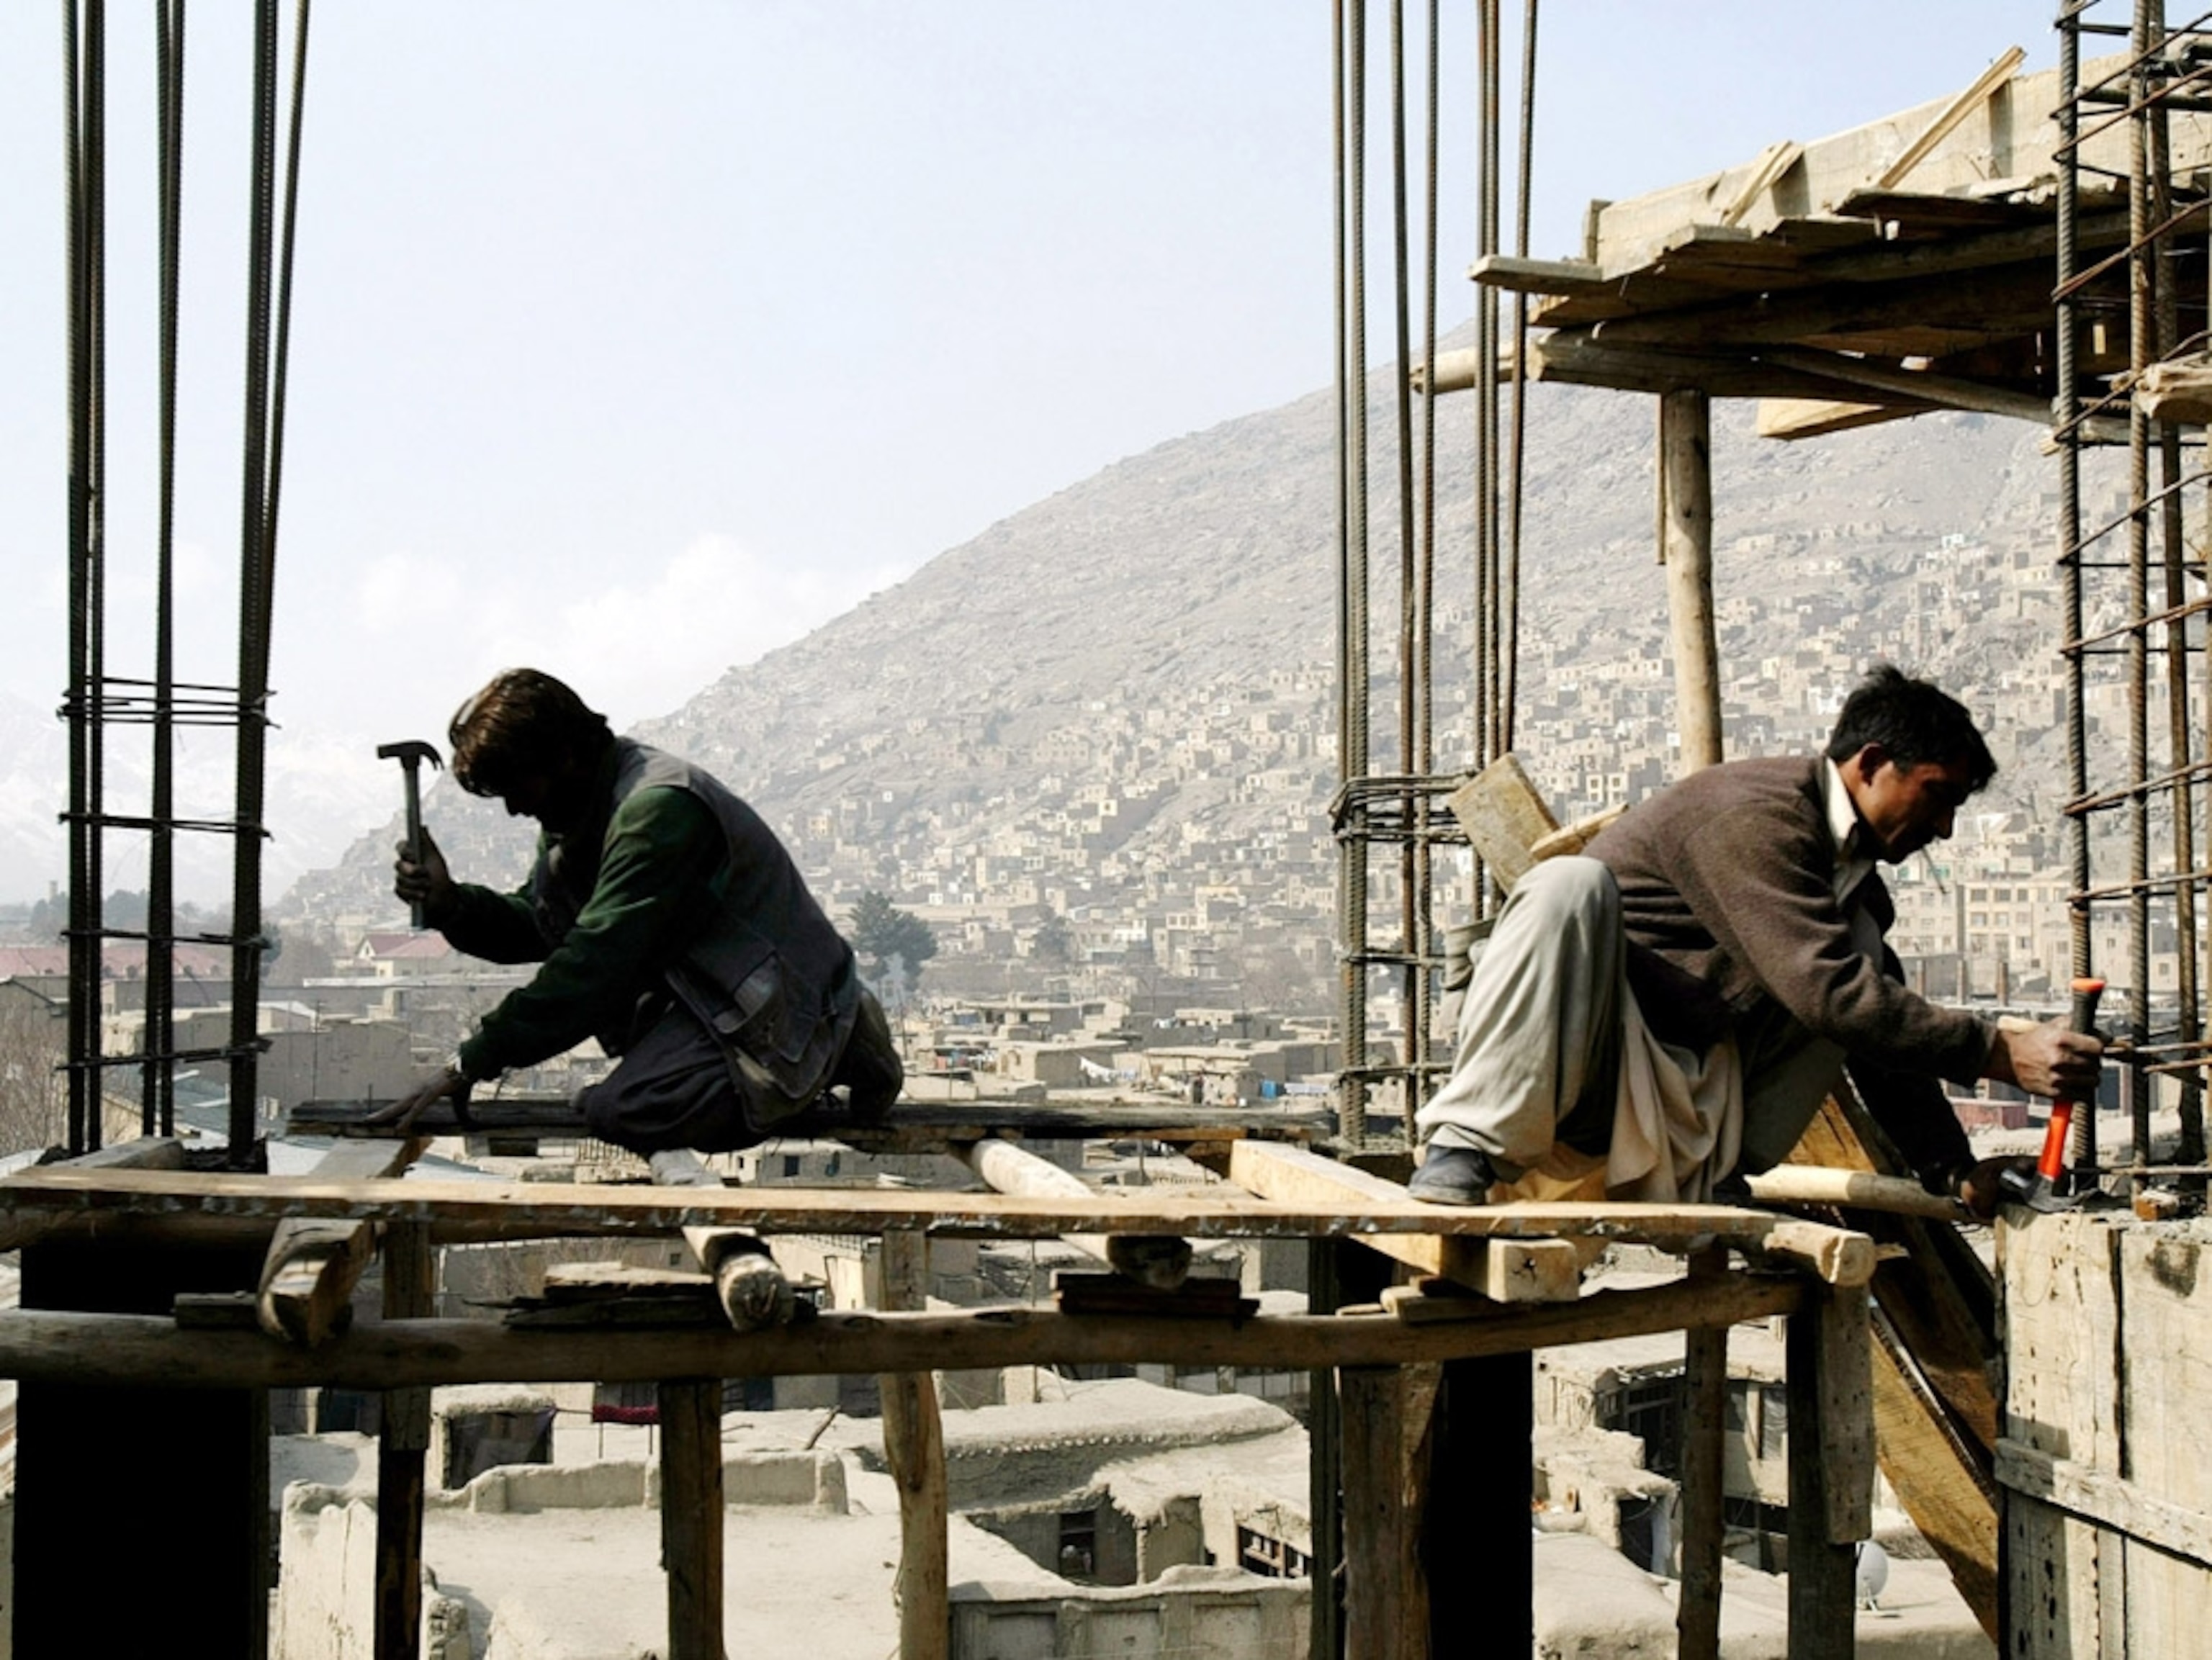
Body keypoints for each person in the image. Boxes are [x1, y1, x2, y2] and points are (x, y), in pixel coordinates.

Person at [1409, 664, 2103, 1219]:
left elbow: (1872, 1028)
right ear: (1871, 764)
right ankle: (1466, 1146)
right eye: (1937, 794)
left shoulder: (1854, 884)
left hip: (1677, 1103)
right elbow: (1829, 993)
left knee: (1859, 957)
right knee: (1567, 885)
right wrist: (1998, 1051)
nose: (1944, 827)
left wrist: (1951, 1168)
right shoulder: (1754, 815)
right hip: (1575, 1069)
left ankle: (1719, 1176)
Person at [372, 668, 903, 1151]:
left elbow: (595, 963)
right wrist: (450, 904)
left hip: (779, 1003)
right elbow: (543, 924)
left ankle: (839, 1042)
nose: (515, 808)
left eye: (519, 788)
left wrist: (473, 1060)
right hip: (708, 999)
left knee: (628, 1110)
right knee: (619, 1102)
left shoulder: (657, 810)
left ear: (562, 757)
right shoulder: (581, 813)